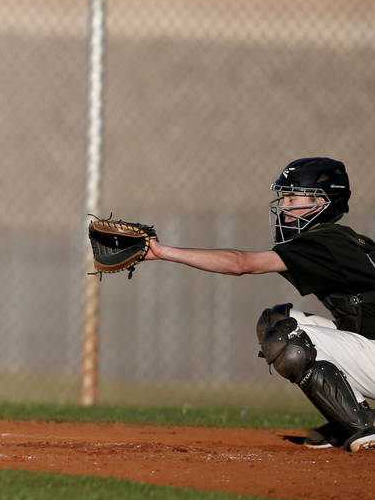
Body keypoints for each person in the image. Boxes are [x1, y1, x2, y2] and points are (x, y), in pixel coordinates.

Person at [144, 157, 375, 451]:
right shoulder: (343, 240)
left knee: (288, 339)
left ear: (321, 203)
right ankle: (350, 417)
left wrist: (163, 251)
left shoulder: (325, 242)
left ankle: (364, 428)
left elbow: (241, 263)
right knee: (277, 320)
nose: (284, 205)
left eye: (293, 196)